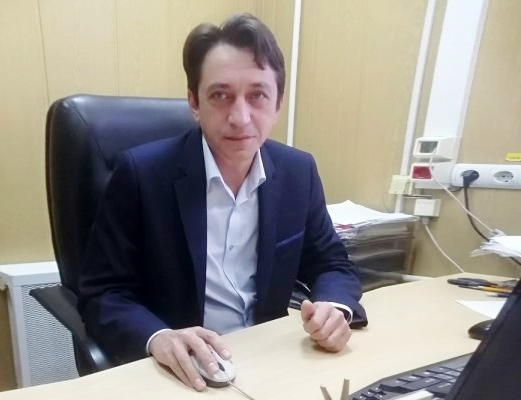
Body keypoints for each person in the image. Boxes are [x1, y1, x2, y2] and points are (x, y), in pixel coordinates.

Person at [78, 13, 367, 391]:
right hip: (180, 372)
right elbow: (102, 293)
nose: (240, 117)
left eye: (257, 95)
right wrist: (158, 337)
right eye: (220, 95)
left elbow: (332, 264)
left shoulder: (298, 172)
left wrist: (334, 308)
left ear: (278, 104)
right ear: (194, 103)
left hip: (270, 362)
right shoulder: (140, 175)